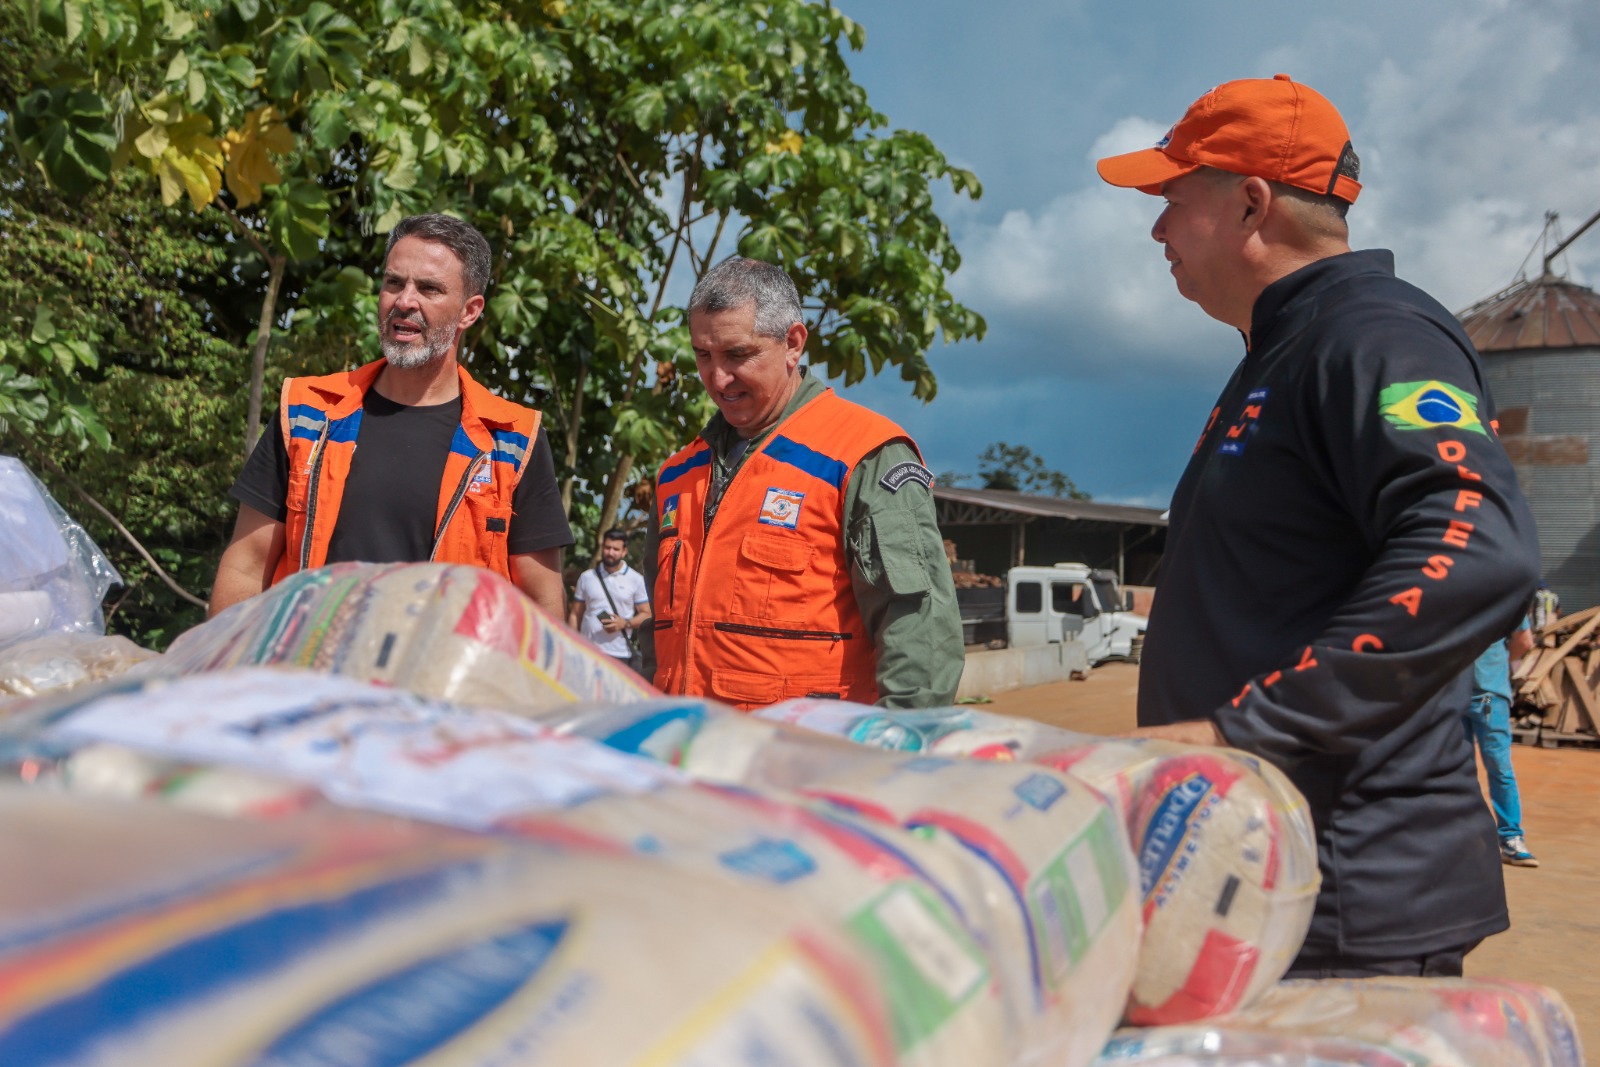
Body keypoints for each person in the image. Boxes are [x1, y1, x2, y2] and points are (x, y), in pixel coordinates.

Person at [1096, 74, 1540, 977]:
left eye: (1172, 200)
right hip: (1267, 876)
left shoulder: (1373, 336)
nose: (1155, 230)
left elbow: (1477, 543)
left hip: (1344, 900)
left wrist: (1239, 732)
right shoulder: (1284, 350)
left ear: (1252, 202)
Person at [209, 214, 572, 619]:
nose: (404, 301)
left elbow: (542, 605)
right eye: (394, 283)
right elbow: (246, 566)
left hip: (438, 680)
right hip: (309, 673)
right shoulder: (309, 413)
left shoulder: (511, 439)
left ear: (469, 312)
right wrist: (224, 672)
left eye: (429, 288)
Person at [644, 256, 963, 710]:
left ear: (793, 343)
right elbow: (658, 632)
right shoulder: (677, 474)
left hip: (806, 765)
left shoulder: (862, 456)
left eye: (738, 355)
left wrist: (897, 751)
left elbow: (919, 626)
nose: (717, 379)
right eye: (703, 355)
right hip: (688, 761)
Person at [1467, 620, 1538, 867]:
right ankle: (1509, 840)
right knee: (1497, 769)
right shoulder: (1504, 587)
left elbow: (1524, 641)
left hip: (1480, 695)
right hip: (1475, 694)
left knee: (1489, 768)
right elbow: (1524, 641)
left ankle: (1509, 836)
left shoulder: (1449, 586)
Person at [569, 528, 652, 673]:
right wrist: (571, 643)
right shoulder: (587, 577)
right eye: (607, 548)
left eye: (615, 549)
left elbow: (647, 614)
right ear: (602, 548)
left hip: (619, 654)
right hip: (587, 651)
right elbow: (576, 613)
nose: (610, 552)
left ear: (624, 551)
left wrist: (624, 623)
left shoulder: (635, 580)